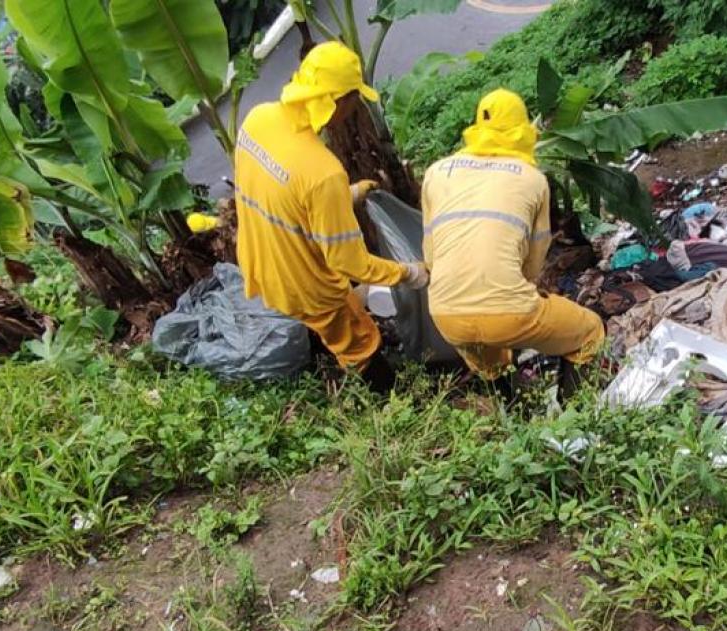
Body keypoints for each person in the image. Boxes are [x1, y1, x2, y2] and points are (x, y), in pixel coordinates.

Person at [234, 42, 428, 391]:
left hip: (260, 260)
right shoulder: (323, 173)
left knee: (322, 323)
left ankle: (317, 344)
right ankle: (386, 397)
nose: (355, 109)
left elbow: (281, 192)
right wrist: (408, 273)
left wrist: (346, 196)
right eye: (354, 98)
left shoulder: (258, 119)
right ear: (336, 102)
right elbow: (348, 263)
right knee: (360, 340)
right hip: (305, 285)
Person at [422, 89, 605, 393]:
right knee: (589, 331)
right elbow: (533, 266)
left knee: (490, 362)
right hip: (509, 310)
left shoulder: (436, 173)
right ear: (522, 131)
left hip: (446, 314)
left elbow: (430, 256)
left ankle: (512, 415)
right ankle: (573, 422)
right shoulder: (530, 178)